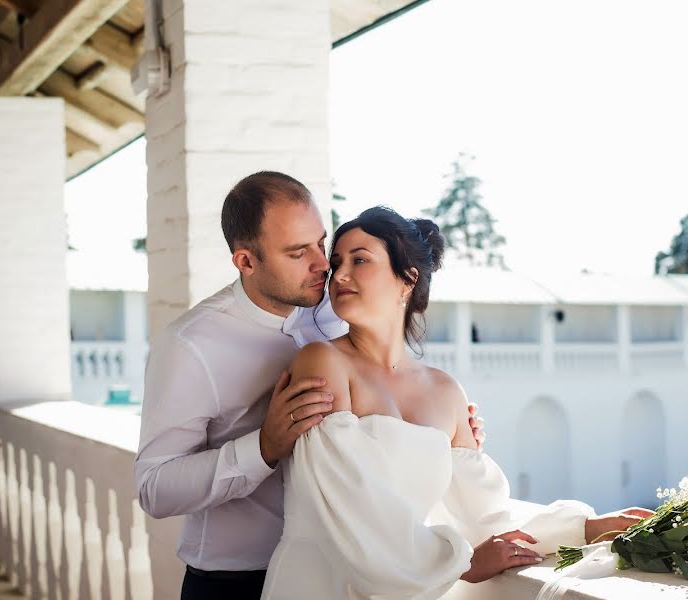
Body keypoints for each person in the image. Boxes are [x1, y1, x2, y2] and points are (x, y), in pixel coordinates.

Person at [261, 206, 653, 599]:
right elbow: (349, 502)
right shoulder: (322, 361)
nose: (339, 275)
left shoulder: (445, 392)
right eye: (336, 263)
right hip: (322, 583)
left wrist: (583, 528)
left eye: (359, 260)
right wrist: (461, 564)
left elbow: (485, 515)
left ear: (407, 280)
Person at [134, 171, 488, 599]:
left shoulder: (337, 310)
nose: (324, 266)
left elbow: (381, 416)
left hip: (352, 573)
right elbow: (154, 488)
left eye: (321, 244)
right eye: (299, 252)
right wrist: (262, 448)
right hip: (234, 581)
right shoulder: (190, 345)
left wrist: (438, 438)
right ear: (247, 261)